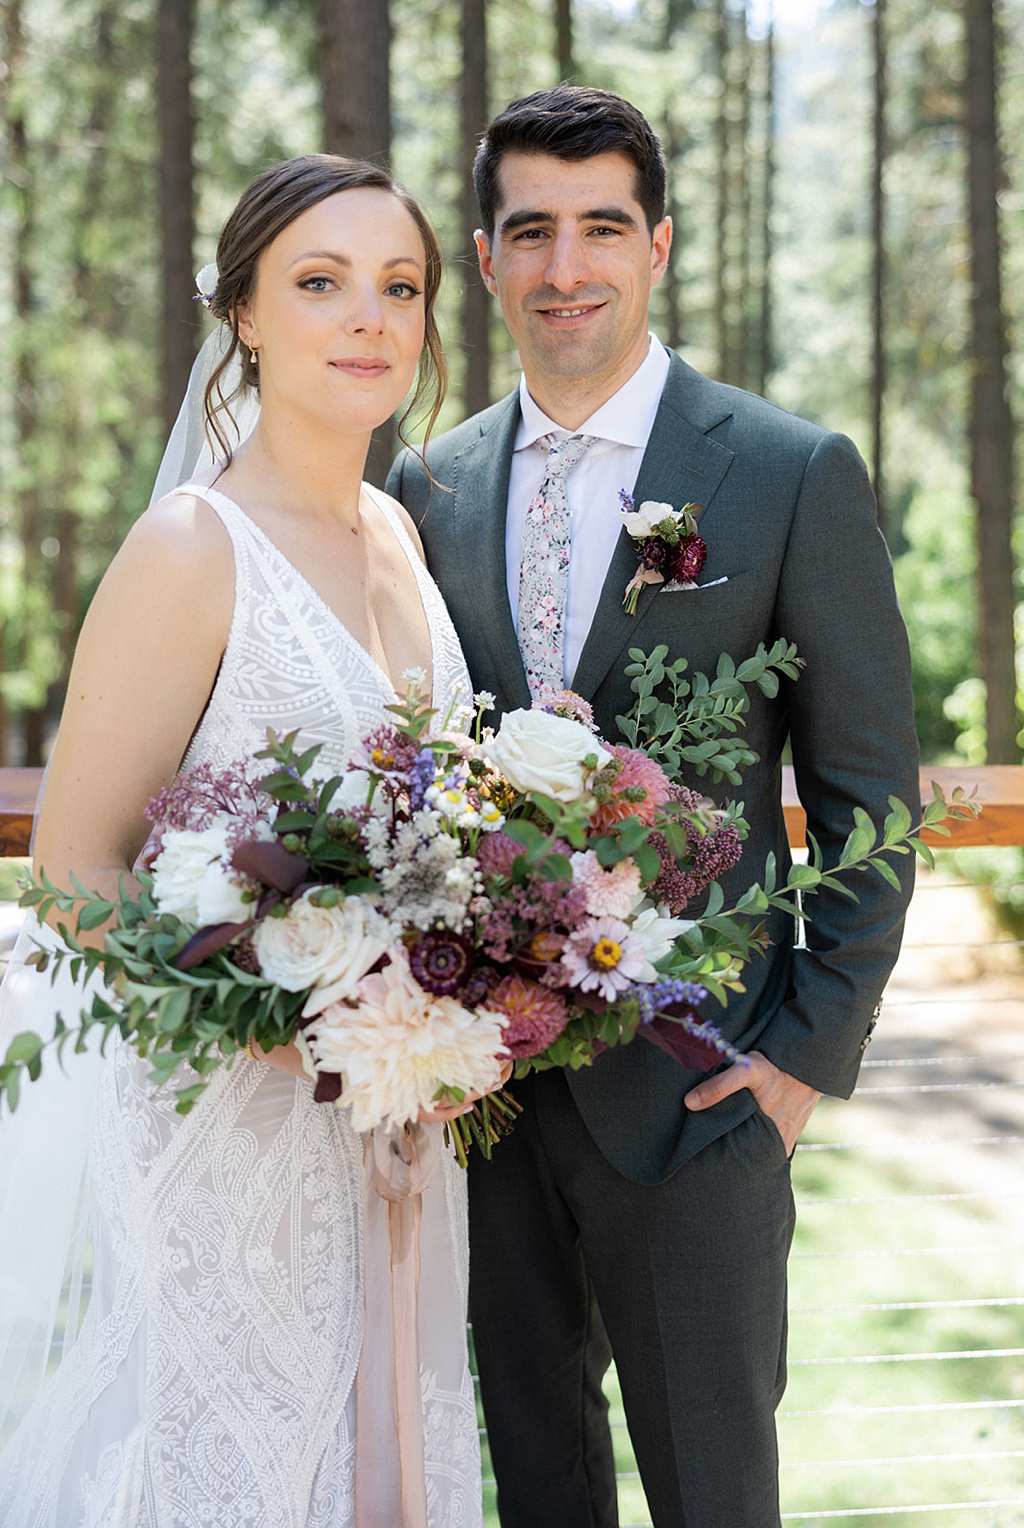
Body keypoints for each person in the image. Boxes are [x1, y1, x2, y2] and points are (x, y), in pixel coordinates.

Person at [388, 85, 920, 1528]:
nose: (567, 267)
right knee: (535, 1489)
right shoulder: (422, 489)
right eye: (531, 232)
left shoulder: (789, 473)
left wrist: (802, 1061)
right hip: (484, 1104)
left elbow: (869, 789)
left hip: (703, 1097)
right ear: (487, 260)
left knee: (714, 1498)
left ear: (661, 245)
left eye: (603, 228)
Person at [0, 155, 485, 1527]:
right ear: (248, 316)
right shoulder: (190, 546)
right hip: (230, 1121)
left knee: (389, 1457)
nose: (369, 317)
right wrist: (278, 1023)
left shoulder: (400, 535)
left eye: (400, 287)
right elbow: (77, 869)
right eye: (321, 283)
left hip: (402, 1126)